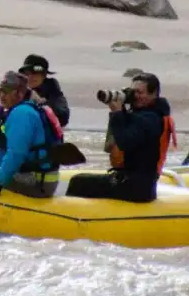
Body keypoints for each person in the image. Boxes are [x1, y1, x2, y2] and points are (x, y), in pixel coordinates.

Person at [67, 73, 176, 203]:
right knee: (83, 180)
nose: (135, 96)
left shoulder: (152, 120)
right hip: (134, 181)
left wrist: (117, 113)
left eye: (140, 92)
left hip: (137, 187)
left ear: (153, 94)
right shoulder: (144, 114)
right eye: (133, 92)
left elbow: (125, 142)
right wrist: (121, 109)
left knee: (78, 182)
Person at [0, 70, 64, 202]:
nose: (2, 96)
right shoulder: (29, 109)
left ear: (20, 93)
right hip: (42, 177)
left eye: (8, 92)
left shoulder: (22, 114)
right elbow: (6, 154)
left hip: (37, 183)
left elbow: (16, 155)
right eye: (0, 91)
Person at [18, 54, 70, 128]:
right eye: (27, 73)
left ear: (44, 75)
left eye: (35, 73)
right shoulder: (19, 92)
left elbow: (63, 118)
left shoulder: (53, 92)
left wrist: (39, 102)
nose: (30, 77)